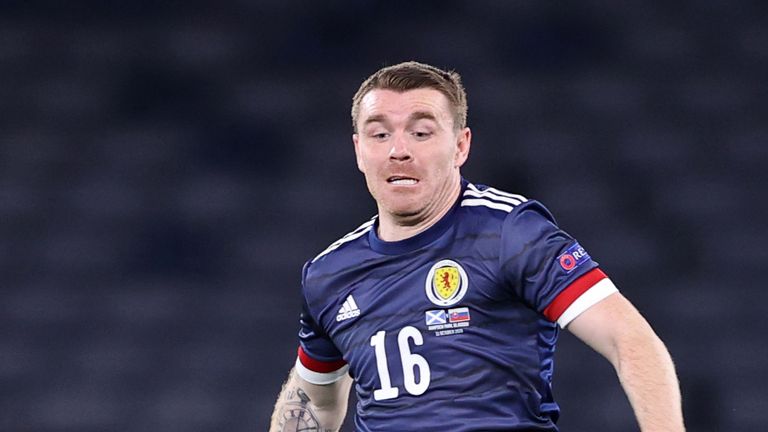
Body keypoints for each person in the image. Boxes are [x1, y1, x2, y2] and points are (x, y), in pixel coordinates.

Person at [269, 61, 685, 431]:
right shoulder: (329, 273)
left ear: (461, 145)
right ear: (359, 150)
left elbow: (630, 341)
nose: (399, 150)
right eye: (379, 134)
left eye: (421, 132)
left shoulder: (510, 232)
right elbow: (315, 407)